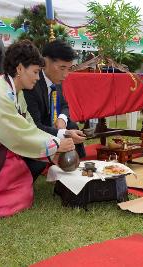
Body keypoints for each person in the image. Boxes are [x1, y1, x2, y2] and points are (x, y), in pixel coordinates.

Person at [0, 40, 75, 221]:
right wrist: (56, 144)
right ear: (19, 69)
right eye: (35, 72)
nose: (38, 77)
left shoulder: (15, 91)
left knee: (20, 185)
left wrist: (52, 147)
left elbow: (28, 126)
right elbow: (16, 133)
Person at [23, 40, 86, 179]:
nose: (66, 74)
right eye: (62, 68)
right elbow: (35, 127)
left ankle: (76, 167)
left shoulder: (55, 80)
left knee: (72, 125)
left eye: (69, 69)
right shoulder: (31, 83)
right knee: (69, 132)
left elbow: (64, 105)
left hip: (51, 122)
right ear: (45, 62)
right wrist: (64, 133)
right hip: (36, 127)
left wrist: (62, 120)